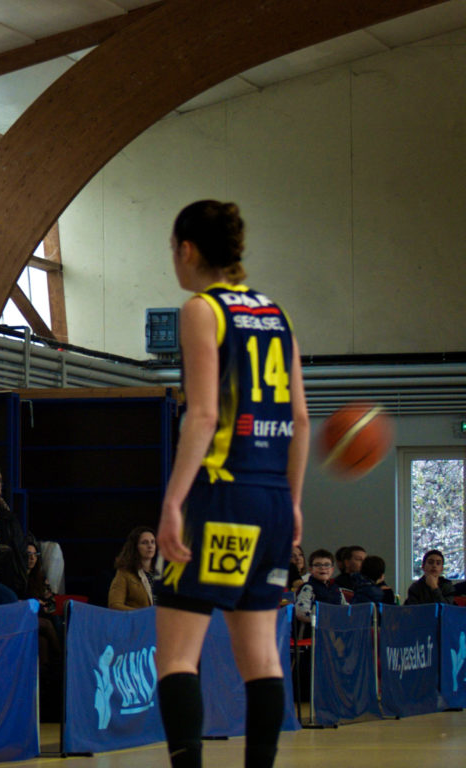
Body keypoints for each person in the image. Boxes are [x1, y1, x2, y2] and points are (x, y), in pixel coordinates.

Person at [153, 201, 310, 768]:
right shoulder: (276, 314)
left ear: (187, 250)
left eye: (173, 249)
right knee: (261, 657)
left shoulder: (202, 310)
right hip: (270, 498)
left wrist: (173, 502)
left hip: (219, 491)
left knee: (176, 657)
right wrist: (292, 502)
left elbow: (201, 416)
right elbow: (300, 420)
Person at [108, 526, 158, 610]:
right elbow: (114, 605)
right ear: (135, 547)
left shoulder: (162, 573)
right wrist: (143, 615)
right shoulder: (124, 573)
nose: (150, 546)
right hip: (139, 621)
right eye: (144, 543)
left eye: (153, 542)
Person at [294, 549, 347, 625]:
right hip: (315, 630)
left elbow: (346, 608)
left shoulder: (336, 588)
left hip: (336, 629)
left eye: (327, 565)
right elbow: (301, 612)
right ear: (311, 569)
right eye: (317, 565)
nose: (322, 568)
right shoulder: (308, 588)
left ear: (332, 569)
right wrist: (322, 619)